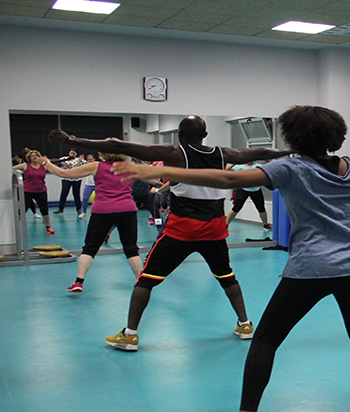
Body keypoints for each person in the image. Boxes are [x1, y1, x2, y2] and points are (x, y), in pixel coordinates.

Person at [113, 105, 350, 412]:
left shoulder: (291, 169)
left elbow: (228, 181)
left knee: (267, 338)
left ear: (293, 138)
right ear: (338, 136)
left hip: (310, 269)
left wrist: (160, 170)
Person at [48, 116, 290, 351]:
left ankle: (129, 335)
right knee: (227, 277)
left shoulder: (174, 153)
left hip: (181, 231)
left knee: (146, 281)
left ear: (180, 135)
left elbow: (119, 145)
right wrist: (290, 152)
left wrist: (73, 140)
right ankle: (245, 325)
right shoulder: (223, 154)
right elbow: (261, 153)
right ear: (205, 135)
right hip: (214, 230)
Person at [42, 151, 144, 291]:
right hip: (127, 210)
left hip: (103, 210)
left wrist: (45, 162)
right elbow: (155, 177)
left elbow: (64, 174)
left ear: (102, 154)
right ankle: (143, 283)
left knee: (90, 248)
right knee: (131, 249)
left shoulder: (96, 166)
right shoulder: (130, 166)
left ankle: (79, 282)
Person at [12, 150, 54, 234]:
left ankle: (48, 227)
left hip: (41, 190)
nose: (35, 157)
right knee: (23, 209)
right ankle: (14, 227)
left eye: (36, 155)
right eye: (32, 156)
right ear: (29, 158)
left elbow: (54, 166)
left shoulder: (44, 166)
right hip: (27, 191)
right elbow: (12, 168)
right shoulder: (25, 166)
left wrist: (48, 161)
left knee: (44, 210)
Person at [225, 162, 271, 230]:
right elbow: (226, 170)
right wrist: (233, 163)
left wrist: (268, 164)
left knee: (261, 209)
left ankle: (265, 224)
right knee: (236, 208)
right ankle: (226, 225)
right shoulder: (239, 166)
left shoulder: (257, 166)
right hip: (243, 189)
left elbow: (268, 171)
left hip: (256, 190)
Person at [53, 149, 85, 215]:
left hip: (76, 179)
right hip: (66, 179)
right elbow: (59, 167)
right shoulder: (64, 159)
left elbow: (78, 168)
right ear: (69, 153)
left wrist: (79, 160)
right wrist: (65, 167)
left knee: (76, 194)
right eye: (71, 153)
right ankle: (60, 208)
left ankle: (79, 209)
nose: (72, 154)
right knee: (64, 193)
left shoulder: (80, 160)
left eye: (74, 153)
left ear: (76, 153)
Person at [80, 154, 97, 218]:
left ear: (94, 159)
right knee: (85, 198)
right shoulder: (86, 166)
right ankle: (84, 212)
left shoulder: (97, 165)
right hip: (89, 184)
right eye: (89, 160)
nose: (90, 160)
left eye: (91, 159)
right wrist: (80, 160)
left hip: (97, 184)